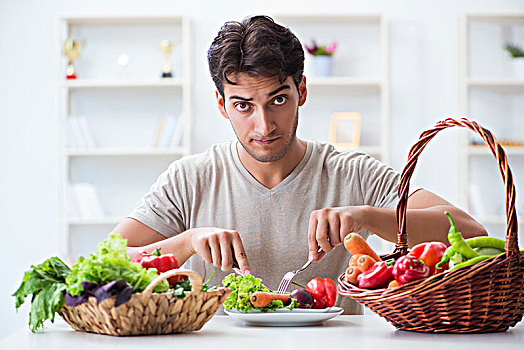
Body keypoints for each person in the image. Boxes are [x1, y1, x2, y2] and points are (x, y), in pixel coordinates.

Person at [113, 15, 486, 313]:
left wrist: (370, 217)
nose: (264, 125)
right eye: (243, 105)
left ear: (301, 91)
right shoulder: (190, 178)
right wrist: (186, 242)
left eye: (277, 100)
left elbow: (470, 231)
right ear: (221, 104)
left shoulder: (352, 173)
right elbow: (111, 259)